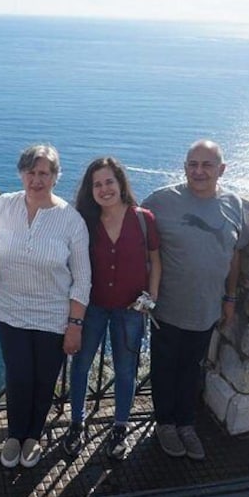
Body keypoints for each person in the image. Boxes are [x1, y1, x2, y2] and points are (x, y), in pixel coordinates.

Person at [0, 144, 91, 469]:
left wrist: (75, 325)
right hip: (10, 311)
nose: (37, 179)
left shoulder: (70, 220)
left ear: (55, 176)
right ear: (22, 174)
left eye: (44, 173)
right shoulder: (7, 204)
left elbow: (82, 279)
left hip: (53, 316)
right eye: (31, 172)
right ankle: (14, 435)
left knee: (44, 379)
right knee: (19, 376)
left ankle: (33, 436)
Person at [142, 139, 247, 461]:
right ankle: (165, 424)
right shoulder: (161, 201)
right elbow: (131, 231)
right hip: (168, 308)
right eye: (192, 164)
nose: (198, 171)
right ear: (184, 166)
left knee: (192, 370)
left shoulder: (233, 203)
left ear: (222, 169)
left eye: (206, 165)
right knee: (164, 369)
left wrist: (230, 297)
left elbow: (235, 256)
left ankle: (186, 424)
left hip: (207, 309)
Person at [64, 157, 162, 460]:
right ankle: (76, 423)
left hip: (131, 310)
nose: (104, 189)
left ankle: (120, 427)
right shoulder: (84, 221)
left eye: (109, 181)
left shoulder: (144, 219)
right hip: (91, 308)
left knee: (125, 371)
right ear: (89, 190)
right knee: (79, 367)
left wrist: (151, 298)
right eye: (97, 184)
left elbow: (156, 260)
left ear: (120, 183)